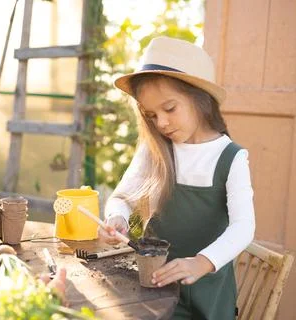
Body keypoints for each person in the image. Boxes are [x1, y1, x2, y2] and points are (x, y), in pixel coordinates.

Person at [98, 36, 255, 319]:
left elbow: (244, 227)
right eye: (151, 115)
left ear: (200, 99)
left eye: (169, 109)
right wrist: (117, 218)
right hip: (153, 286)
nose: (162, 123)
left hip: (206, 295)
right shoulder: (155, 149)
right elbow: (121, 197)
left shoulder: (231, 157)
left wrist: (202, 262)